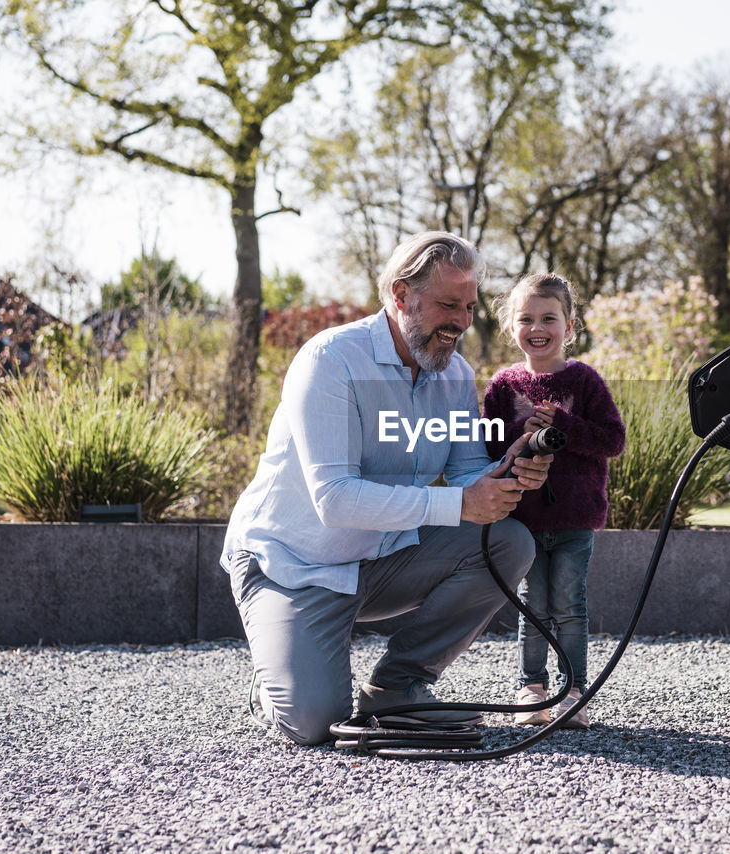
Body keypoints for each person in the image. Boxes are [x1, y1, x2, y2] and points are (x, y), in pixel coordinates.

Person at [221, 231, 553, 746]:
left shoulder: (455, 376)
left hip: (379, 559)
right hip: (292, 565)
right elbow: (333, 499)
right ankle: (273, 679)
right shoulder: (330, 361)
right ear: (401, 296)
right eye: (448, 305)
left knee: (509, 541)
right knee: (313, 724)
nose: (462, 323)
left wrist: (510, 471)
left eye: (468, 308)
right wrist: (462, 502)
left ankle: (397, 687)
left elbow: (467, 475)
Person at [483, 272, 625, 729]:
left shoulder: (583, 381)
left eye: (549, 317)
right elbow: (487, 446)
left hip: (574, 518)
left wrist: (563, 425)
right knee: (532, 602)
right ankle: (532, 687)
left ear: (569, 325)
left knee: (569, 603)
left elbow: (612, 440)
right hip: (522, 517)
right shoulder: (504, 386)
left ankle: (574, 689)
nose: (537, 327)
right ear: (511, 327)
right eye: (526, 318)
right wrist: (518, 434)